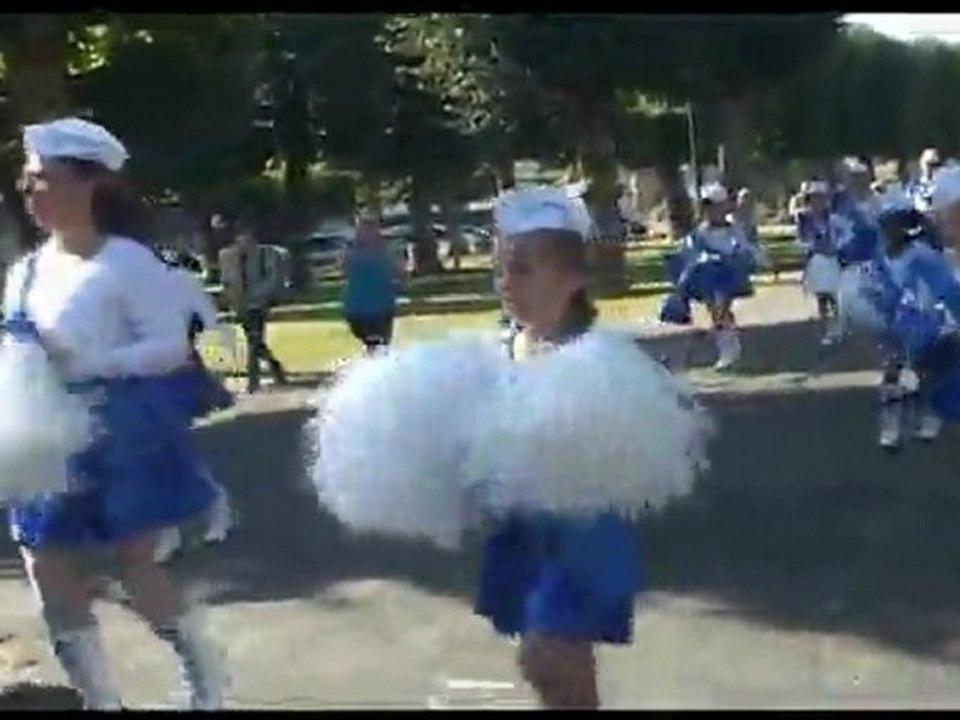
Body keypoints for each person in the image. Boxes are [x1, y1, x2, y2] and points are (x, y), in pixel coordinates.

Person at [3, 117, 227, 709]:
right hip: (45, 440)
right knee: (44, 564)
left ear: (89, 184)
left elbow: (171, 347)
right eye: (26, 182)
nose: (30, 193)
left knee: (137, 568)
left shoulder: (127, 262)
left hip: (125, 436)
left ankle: (207, 683)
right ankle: (100, 701)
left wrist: (94, 361)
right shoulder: (24, 271)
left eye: (41, 180)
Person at [476, 186, 644, 709]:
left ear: (571, 278)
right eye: (502, 268)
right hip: (523, 525)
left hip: (581, 530)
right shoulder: (506, 348)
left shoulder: (597, 358)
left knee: (551, 652)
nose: (508, 282)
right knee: (545, 665)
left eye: (524, 268)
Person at [840, 184, 960, 450]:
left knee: (928, 371)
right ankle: (891, 425)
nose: (892, 229)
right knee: (893, 372)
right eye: (887, 223)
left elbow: (946, 288)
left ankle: (929, 417)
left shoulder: (923, 255)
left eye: (899, 222)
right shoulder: (879, 257)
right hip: (893, 323)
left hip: (926, 322)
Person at [660, 183, 757, 371]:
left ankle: (727, 347)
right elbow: (689, 252)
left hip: (728, 274)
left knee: (721, 309)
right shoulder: (700, 233)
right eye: (709, 207)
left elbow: (743, 248)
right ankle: (728, 345)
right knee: (716, 312)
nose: (713, 211)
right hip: (705, 277)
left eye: (717, 206)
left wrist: (739, 256)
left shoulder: (733, 229)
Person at [218, 222, 288, 393]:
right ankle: (275, 366)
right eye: (241, 240)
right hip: (240, 305)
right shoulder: (227, 256)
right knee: (256, 342)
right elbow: (227, 281)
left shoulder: (265, 255)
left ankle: (253, 382)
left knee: (253, 342)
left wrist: (259, 297)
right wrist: (229, 301)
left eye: (248, 240)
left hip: (258, 304)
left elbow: (272, 279)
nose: (244, 244)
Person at [796, 180, 853, 346]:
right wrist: (811, 247)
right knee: (821, 297)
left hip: (832, 257)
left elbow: (840, 235)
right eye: (814, 198)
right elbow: (802, 239)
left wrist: (835, 248)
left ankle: (837, 326)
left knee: (835, 295)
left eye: (821, 197)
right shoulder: (804, 218)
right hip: (816, 259)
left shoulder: (833, 217)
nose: (818, 201)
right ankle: (825, 328)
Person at [340, 215, 401, 356]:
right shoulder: (352, 252)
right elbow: (344, 268)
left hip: (381, 305)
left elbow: (398, 270)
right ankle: (373, 368)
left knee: (379, 345)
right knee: (375, 344)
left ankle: (375, 369)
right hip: (359, 307)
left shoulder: (386, 250)